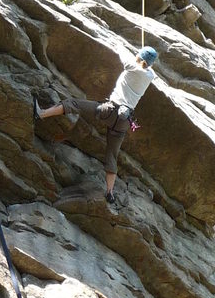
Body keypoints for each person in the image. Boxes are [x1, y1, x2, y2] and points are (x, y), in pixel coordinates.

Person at [33, 46, 158, 203]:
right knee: (112, 154)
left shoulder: (132, 66)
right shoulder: (150, 76)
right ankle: (110, 192)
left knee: (74, 104)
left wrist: (136, 55)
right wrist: (143, 58)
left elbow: (122, 53)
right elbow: (148, 68)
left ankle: (41, 113)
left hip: (110, 110)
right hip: (124, 122)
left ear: (140, 59)